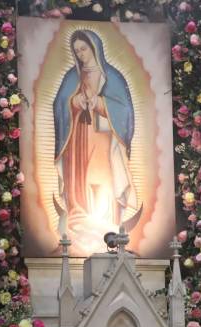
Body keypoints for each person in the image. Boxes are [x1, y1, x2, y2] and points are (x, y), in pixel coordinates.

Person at [53, 30, 139, 233]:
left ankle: (107, 226)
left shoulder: (113, 76)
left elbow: (125, 110)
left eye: (84, 49)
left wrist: (100, 102)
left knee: (103, 177)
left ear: (94, 48)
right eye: (77, 51)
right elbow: (59, 105)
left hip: (103, 138)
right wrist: (75, 101)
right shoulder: (72, 76)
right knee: (79, 177)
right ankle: (78, 220)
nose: (81, 54)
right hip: (77, 138)